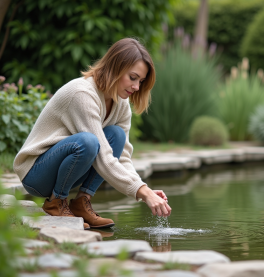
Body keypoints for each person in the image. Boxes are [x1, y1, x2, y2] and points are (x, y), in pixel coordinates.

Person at [13, 38, 172, 230]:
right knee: (88, 142)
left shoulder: (120, 104)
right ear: (115, 68)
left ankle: (81, 203)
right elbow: (103, 157)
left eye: (141, 81)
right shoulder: (82, 94)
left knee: (116, 135)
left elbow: (121, 157)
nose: (137, 87)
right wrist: (143, 193)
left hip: (67, 169)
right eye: (133, 77)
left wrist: (143, 187)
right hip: (36, 173)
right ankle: (56, 202)